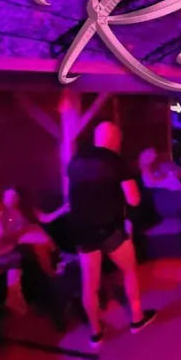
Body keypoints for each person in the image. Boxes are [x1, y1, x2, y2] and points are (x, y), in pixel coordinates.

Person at [66, 121, 154, 348]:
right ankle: (137, 319)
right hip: (109, 229)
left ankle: (96, 334)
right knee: (129, 269)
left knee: (89, 284)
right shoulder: (115, 161)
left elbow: (72, 197)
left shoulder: (75, 161)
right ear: (114, 139)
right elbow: (133, 199)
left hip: (83, 230)